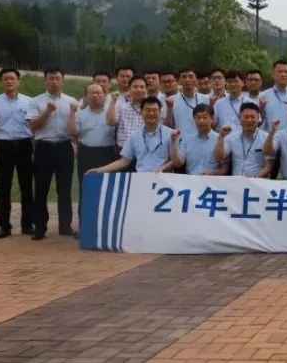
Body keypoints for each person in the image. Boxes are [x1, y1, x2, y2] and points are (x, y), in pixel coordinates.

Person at [0, 68, 36, 239]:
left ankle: (27, 224)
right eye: (6, 79)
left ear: (18, 81)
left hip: (24, 145)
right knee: (4, 187)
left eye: (13, 78)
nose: (9, 81)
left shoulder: (29, 102)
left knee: (26, 186)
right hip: (4, 146)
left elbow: (34, 125)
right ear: (1, 82)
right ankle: (4, 226)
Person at [26, 68, 78, 240]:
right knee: (41, 189)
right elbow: (33, 126)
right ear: (45, 81)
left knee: (64, 189)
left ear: (63, 80)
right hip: (44, 147)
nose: (54, 82)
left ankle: (65, 226)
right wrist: (47, 111)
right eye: (51, 78)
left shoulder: (71, 101)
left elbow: (75, 127)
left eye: (57, 78)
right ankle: (40, 227)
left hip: (64, 147)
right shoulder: (36, 101)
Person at [68, 83, 116, 234]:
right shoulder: (80, 114)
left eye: (99, 93)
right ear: (86, 96)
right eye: (92, 93)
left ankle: (107, 227)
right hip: (87, 154)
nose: (95, 96)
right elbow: (72, 132)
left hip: (108, 153)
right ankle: (85, 227)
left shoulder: (112, 112)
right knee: (86, 190)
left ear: (104, 95)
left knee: (108, 190)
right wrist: (72, 113)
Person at [88, 98, 175, 174]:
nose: (151, 113)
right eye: (147, 110)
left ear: (160, 112)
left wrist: (163, 168)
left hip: (164, 179)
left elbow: (176, 160)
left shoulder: (170, 134)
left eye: (154, 110)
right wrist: (99, 170)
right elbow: (124, 161)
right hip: (141, 178)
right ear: (141, 112)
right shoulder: (134, 135)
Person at [215, 102, 271, 178]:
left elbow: (268, 167)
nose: (249, 120)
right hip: (236, 181)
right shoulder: (231, 138)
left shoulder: (266, 137)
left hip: (258, 181)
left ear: (258, 118)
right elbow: (219, 158)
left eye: (252, 117)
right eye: (246, 117)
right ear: (239, 118)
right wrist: (221, 136)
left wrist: (255, 178)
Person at [170, 104, 222, 177]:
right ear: (194, 119)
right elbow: (178, 163)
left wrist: (212, 173)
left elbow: (224, 168)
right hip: (191, 180)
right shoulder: (187, 139)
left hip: (212, 180)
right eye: (198, 117)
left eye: (205, 117)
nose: (201, 121)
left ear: (212, 118)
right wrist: (173, 142)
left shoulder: (220, 138)